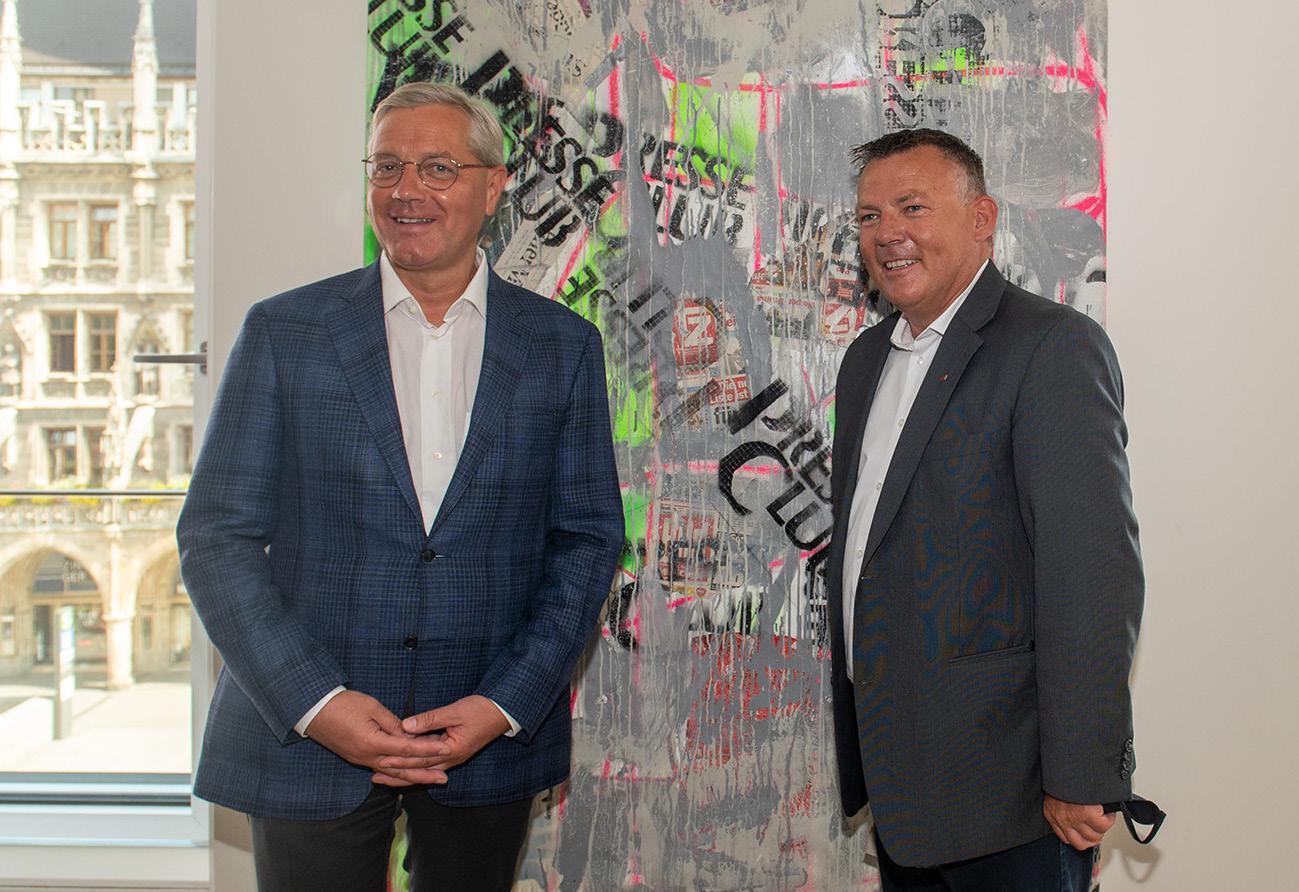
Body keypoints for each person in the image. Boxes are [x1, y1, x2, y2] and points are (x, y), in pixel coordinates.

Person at [178, 82, 624, 892]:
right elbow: (216, 539)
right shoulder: (284, 332)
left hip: (483, 740)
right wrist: (317, 703)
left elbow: (587, 541)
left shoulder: (562, 347)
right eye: (386, 167)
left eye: (436, 168)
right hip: (305, 737)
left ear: (494, 187)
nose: (405, 190)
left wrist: (503, 704)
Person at [827, 129, 1148, 889]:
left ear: (982, 219)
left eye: (912, 207)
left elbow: (1091, 574)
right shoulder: (864, 360)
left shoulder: (1052, 347)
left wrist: (1081, 772)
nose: (887, 233)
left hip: (1014, 797)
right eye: (869, 216)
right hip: (901, 783)